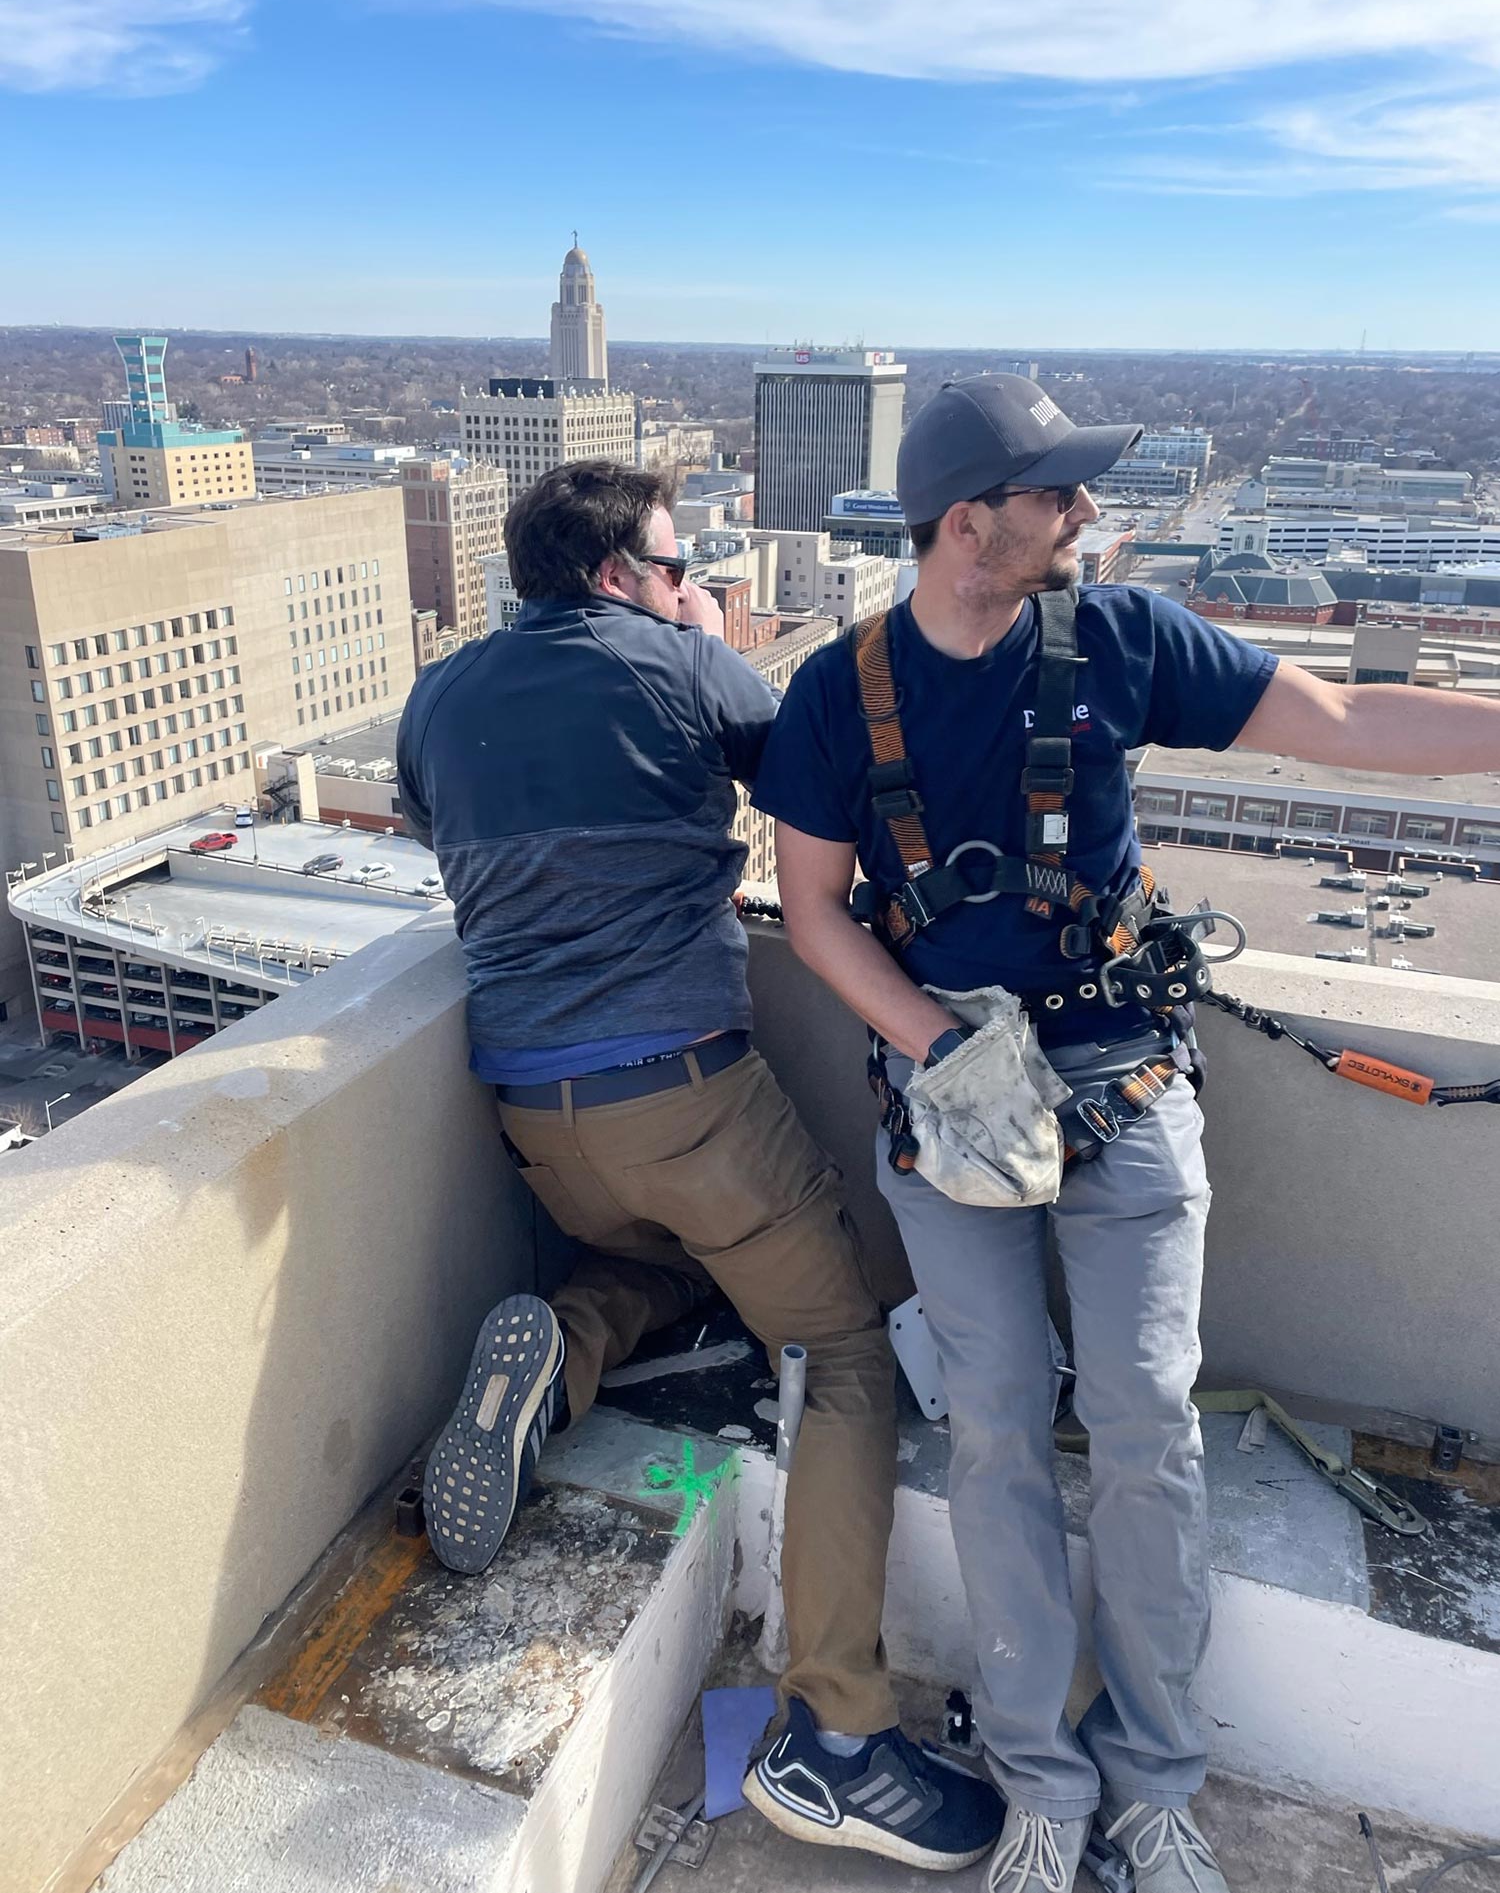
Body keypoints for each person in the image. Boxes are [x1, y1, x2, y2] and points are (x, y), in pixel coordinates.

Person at [751, 375, 1500, 1893]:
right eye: (1058, 494)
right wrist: (943, 1046)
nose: (1086, 514)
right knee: (999, 1435)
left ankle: (1154, 1784)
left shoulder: (1118, 641)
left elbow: (1343, 718)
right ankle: (1041, 1779)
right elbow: (814, 908)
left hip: (1130, 1088)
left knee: (1152, 1429)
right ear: (971, 523)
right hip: (957, 1116)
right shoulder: (842, 692)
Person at [396, 457, 1000, 1871]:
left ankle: (564, 1338)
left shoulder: (441, 694)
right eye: (675, 569)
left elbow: (450, 837)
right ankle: (841, 1730)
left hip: (539, 1123)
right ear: (621, 576)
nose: (689, 586)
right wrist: (710, 652)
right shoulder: (678, 660)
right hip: (687, 1096)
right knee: (842, 1348)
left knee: (649, 1258)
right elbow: (819, 787)